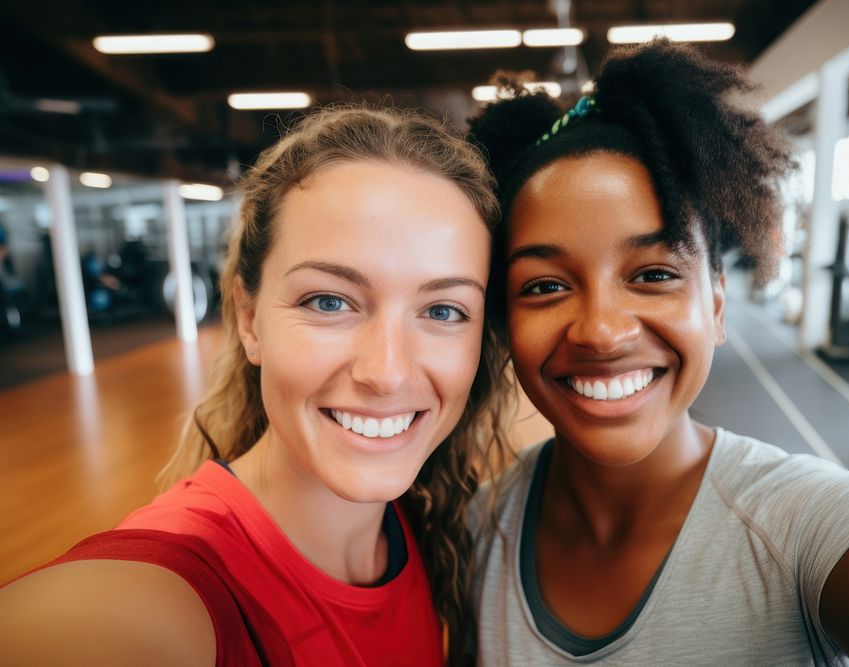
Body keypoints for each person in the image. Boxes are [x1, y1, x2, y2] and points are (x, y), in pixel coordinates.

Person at [467, 39, 849, 664]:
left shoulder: (807, 528)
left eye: (654, 274)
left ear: (716, 304)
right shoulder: (479, 530)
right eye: (545, 285)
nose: (601, 332)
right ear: (503, 320)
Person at [0, 106, 514, 665]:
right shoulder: (176, 589)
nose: (388, 371)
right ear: (249, 321)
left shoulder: (425, 528)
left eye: (442, 309)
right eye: (329, 301)